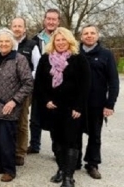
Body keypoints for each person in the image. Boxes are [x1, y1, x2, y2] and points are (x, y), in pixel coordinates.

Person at [34, 27, 90, 187]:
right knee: (56, 141)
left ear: (69, 41)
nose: (60, 42)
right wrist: (46, 100)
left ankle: (68, 176)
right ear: (53, 42)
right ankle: (61, 169)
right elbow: (39, 83)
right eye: (57, 40)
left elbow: (85, 85)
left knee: (71, 141)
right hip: (52, 108)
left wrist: (79, 107)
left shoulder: (79, 59)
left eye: (63, 39)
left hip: (72, 109)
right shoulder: (45, 59)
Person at [0, 28, 34, 182]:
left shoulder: (19, 59)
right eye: (1, 41)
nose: (4, 44)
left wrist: (14, 101)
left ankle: (10, 170)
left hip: (9, 108)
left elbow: (28, 83)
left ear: (12, 43)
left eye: (7, 41)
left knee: (7, 141)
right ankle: (0, 165)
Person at [77, 25, 120, 179]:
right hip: (77, 103)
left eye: (92, 33)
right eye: (86, 33)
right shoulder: (74, 53)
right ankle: (74, 160)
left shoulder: (106, 54)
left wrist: (110, 104)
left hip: (97, 102)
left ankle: (92, 163)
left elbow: (113, 81)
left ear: (97, 35)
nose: (89, 36)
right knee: (75, 133)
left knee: (95, 135)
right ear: (81, 37)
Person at [28, 8, 61, 154]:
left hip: (58, 82)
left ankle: (57, 147)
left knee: (56, 115)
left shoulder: (63, 37)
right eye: (49, 18)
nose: (51, 21)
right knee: (35, 115)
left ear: (58, 21)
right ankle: (35, 144)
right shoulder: (35, 39)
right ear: (44, 20)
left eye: (54, 19)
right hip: (40, 81)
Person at [10, 17, 41, 166]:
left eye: (19, 26)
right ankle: (8, 149)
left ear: (24, 29)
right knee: (8, 121)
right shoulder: (6, 43)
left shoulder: (32, 45)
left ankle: (20, 152)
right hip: (7, 89)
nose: (17, 28)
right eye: (14, 26)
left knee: (21, 122)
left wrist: (26, 78)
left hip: (24, 89)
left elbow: (38, 67)